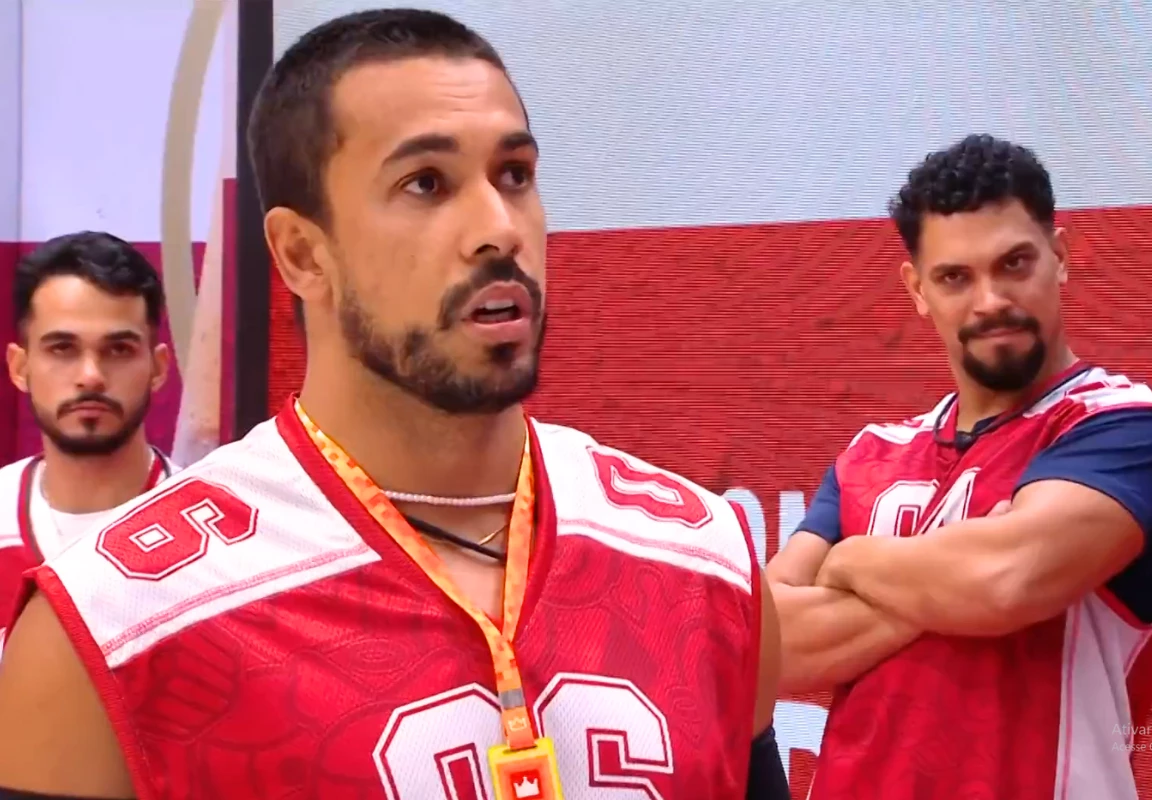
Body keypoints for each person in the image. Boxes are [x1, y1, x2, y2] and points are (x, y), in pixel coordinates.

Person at [0, 9, 786, 800]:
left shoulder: (704, 561)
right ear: (303, 254)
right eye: (426, 184)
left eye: (514, 174)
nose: (498, 229)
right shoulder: (116, 628)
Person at [768, 133, 1152, 800]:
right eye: (955, 277)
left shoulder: (1127, 430)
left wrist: (850, 562)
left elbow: (1005, 581)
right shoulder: (871, 453)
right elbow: (768, 646)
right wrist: (947, 579)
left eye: (1014, 263)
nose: (991, 299)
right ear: (917, 289)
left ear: (1060, 256)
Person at [0, 232, 177, 649]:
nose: (91, 376)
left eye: (119, 350)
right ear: (20, 367)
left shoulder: (221, 539)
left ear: (158, 367)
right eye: (62, 348)